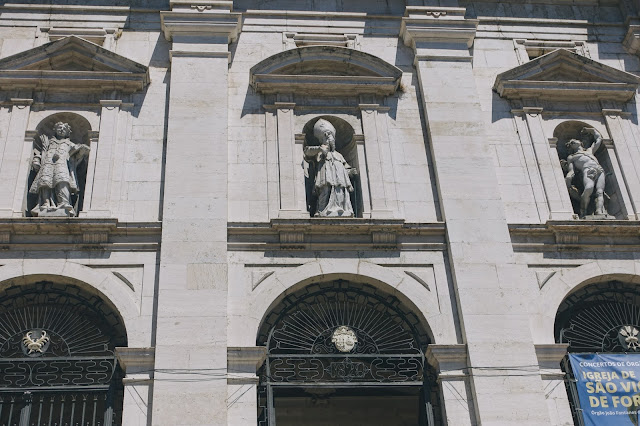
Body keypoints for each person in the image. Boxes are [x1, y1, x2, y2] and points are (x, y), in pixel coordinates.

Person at [29, 122, 90, 217]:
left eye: (64, 129)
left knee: (63, 182)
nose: (61, 130)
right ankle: (45, 204)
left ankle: (63, 203)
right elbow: (41, 153)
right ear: (55, 129)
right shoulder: (48, 143)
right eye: (59, 128)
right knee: (45, 183)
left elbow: (77, 157)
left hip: (62, 166)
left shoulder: (70, 144)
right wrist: (37, 159)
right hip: (48, 165)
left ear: (67, 132)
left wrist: (82, 151)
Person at [304, 119, 357, 217]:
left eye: (332, 139)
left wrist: (350, 171)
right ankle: (322, 210)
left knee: (340, 193)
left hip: (340, 180)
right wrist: (320, 148)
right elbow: (307, 152)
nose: (330, 141)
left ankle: (342, 210)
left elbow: (346, 168)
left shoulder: (339, 155)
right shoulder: (319, 152)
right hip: (325, 178)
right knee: (325, 191)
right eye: (328, 139)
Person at [564, 127, 606, 218]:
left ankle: (599, 211)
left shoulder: (589, 150)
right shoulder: (572, 157)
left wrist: (591, 130)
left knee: (599, 192)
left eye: (574, 140)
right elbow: (571, 171)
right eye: (571, 142)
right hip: (587, 170)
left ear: (580, 143)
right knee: (588, 188)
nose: (573, 142)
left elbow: (599, 138)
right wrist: (568, 180)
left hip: (599, 170)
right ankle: (584, 210)